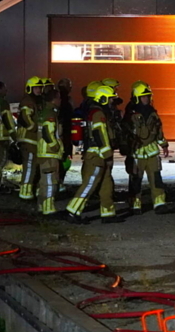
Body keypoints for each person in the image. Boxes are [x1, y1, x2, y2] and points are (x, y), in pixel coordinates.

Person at [66, 84, 126, 224]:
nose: (112, 102)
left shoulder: (98, 112)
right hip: (97, 155)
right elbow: (100, 134)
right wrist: (107, 154)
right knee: (90, 185)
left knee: (106, 185)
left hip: (100, 154)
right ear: (104, 99)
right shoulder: (98, 114)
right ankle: (72, 211)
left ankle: (108, 213)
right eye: (111, 99)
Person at [125, 82, 170, 214]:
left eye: (148, 96)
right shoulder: (130, 115)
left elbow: (158, 131)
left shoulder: (153, 113)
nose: (147, 99)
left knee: (156, 178)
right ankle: (135, 205)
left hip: (151, 151)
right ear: (137, 98)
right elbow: (125, 134)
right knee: (135, 180)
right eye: (144, 96)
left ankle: (159, 203)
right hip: (136, 152)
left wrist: (164, 144)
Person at [36, 82, 64, 217]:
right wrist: (55, 146)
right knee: (50, 181)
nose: (60, 101)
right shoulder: (51, 113)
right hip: (49, 153)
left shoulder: (43, 111)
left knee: (43, 181)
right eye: (59, 98)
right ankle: (48, 209)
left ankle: (42, 206)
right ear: (54, 99)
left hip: (42, 152)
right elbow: (48, 132)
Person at [16, 76, 45, 200]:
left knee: (35, 166)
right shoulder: (28, 101)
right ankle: (25, 192)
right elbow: (25, 117)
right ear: (29, 89)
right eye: (36, 88)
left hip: (34, 140)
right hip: (28, 139)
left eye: (40, 88)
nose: (39, 90)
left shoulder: (37, 101)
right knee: (30, 166)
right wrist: (34, 127)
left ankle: (32, 190)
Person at [57, 78, 74, 190]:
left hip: (63, 133)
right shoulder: (65, 101)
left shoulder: (59, 99)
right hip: (64, 134)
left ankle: (58, 182)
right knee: (64, 159)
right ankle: (59, 182)